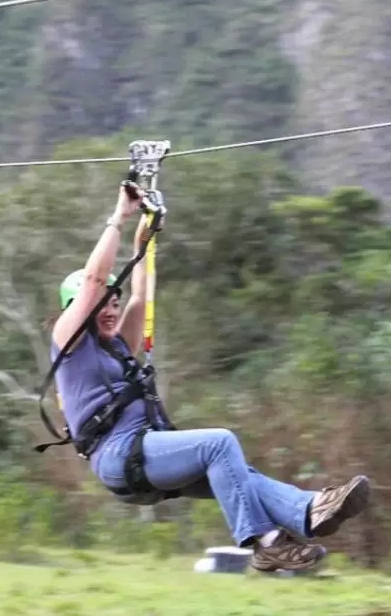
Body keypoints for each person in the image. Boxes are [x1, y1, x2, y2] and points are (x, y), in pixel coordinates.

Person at [49, 181, 370, 572]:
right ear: (76, 307)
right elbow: (95, 283)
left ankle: (309, 509)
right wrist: (118, 216)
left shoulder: (116, 345)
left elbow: (140, 295)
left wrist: (145, 235)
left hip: (144, 450)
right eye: (102, 305)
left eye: (113, 304)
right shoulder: (71, 343)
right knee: (220, 443)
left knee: (236, 472)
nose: (111, 309)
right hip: (119, 456)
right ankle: (265, 542)